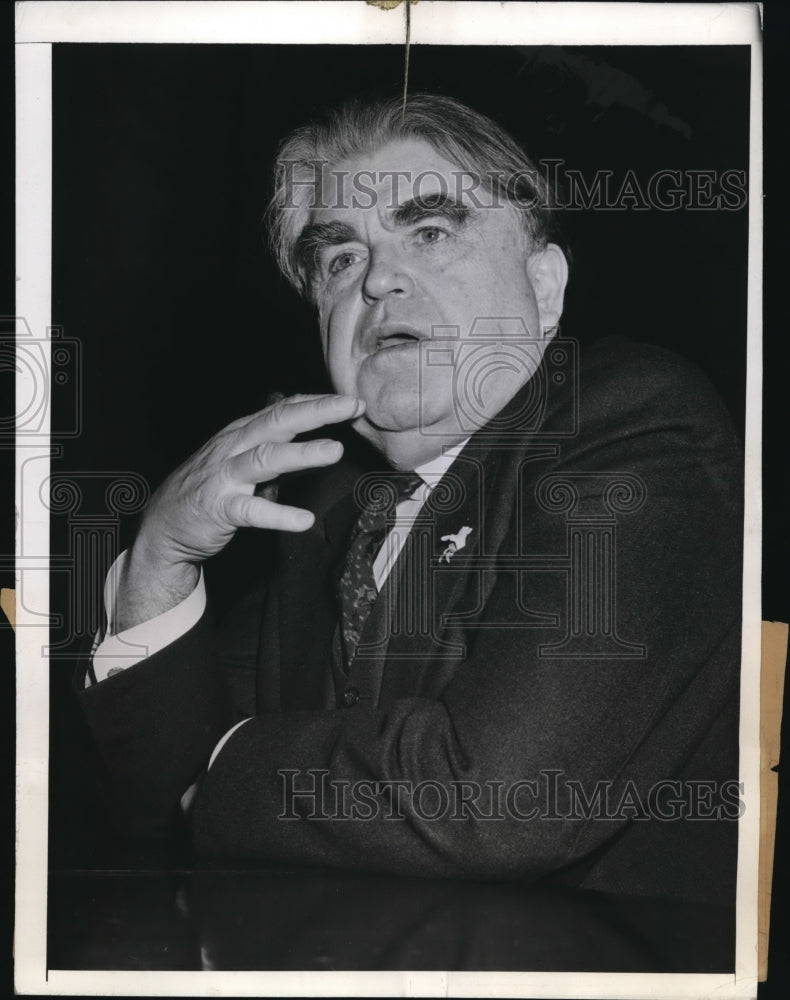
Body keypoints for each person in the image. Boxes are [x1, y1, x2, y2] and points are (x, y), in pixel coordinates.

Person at [77, 94, 743, 905]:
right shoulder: (323, 511)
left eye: (430, 232)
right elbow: (148, 809)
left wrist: (213, 771)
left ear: (543, 287)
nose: (378, 279)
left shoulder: (637, 419)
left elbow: (501, 802)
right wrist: (160, 557)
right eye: (340, 259)